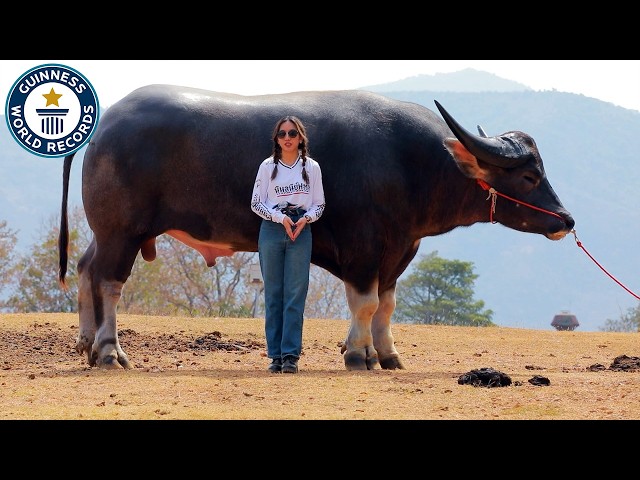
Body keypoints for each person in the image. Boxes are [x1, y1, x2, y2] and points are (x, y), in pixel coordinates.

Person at [250, 116, 326, 374]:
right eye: (282, 133)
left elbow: (319, 203)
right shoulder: (267, 166)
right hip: (272, 229)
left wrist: (305, 219)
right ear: (277, 138)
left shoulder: (312, 167)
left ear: (300, 137)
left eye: (292, 133)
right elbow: (256, 202)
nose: (287, 137)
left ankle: (291, 356)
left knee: (295, 294)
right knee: (273, 294)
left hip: (301, 231)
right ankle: (275, 356)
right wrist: (280, 218)